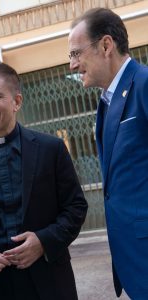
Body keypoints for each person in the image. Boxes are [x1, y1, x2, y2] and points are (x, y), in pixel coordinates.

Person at [0, 61, 88, 300]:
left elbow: (75, 207)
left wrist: (43, 241)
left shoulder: (50, 149)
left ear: (17, 102)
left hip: (49, 281)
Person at [69, 8, 148, 299]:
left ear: (105, 46)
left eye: (76, 53)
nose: (72, 65)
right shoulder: (106, 101)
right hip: (134, 263)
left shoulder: (144, 84)